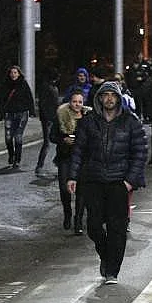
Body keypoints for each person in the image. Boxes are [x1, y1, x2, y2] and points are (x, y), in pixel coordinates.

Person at [67, 81, 147, 285]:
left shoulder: (130, 121)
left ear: (118, 98)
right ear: (100, 98)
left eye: (113, 95)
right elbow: (78, 151)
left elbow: (140, 152)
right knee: (93, 226)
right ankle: (105, 255)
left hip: (119, 182)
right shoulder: (89, 122)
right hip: (94, 180)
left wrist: (129, 181)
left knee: (117, 228)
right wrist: (72, 176)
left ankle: (112, 270)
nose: (109, 98)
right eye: (106, 95)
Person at [51, 88, 91, 234]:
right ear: (70, 102)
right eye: (74, 101)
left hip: (83, 158)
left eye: (80, 102)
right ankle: (67, 213)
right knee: (64, 188)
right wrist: (64, 140)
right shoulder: (62, 115)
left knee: (82, 190)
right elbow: (52, 136)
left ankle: (78, 221)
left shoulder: (89, 116)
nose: (77, 104)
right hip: (65, 157)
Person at [0, 65, 35, 169]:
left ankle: (17, 159)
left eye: (15, 72)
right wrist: (0, 113)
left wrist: (32, 111)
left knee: (18, 136)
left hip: (22, 114)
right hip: (9, 114)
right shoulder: (5, 85)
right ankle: (11, 155)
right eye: (11, 72)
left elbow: (29, 97)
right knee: (8, 137)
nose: (13, 74)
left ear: (19, 74)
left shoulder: (23, 84)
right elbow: (1, 100)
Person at [36, 70, 60, 174]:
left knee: (52, 141)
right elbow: (44, 104)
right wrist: (48, 118)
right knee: (47, 142)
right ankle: (40, 165)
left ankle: (55, 162)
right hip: (49, 118)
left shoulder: (51, 87)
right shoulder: (48, 87)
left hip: (52, 118)